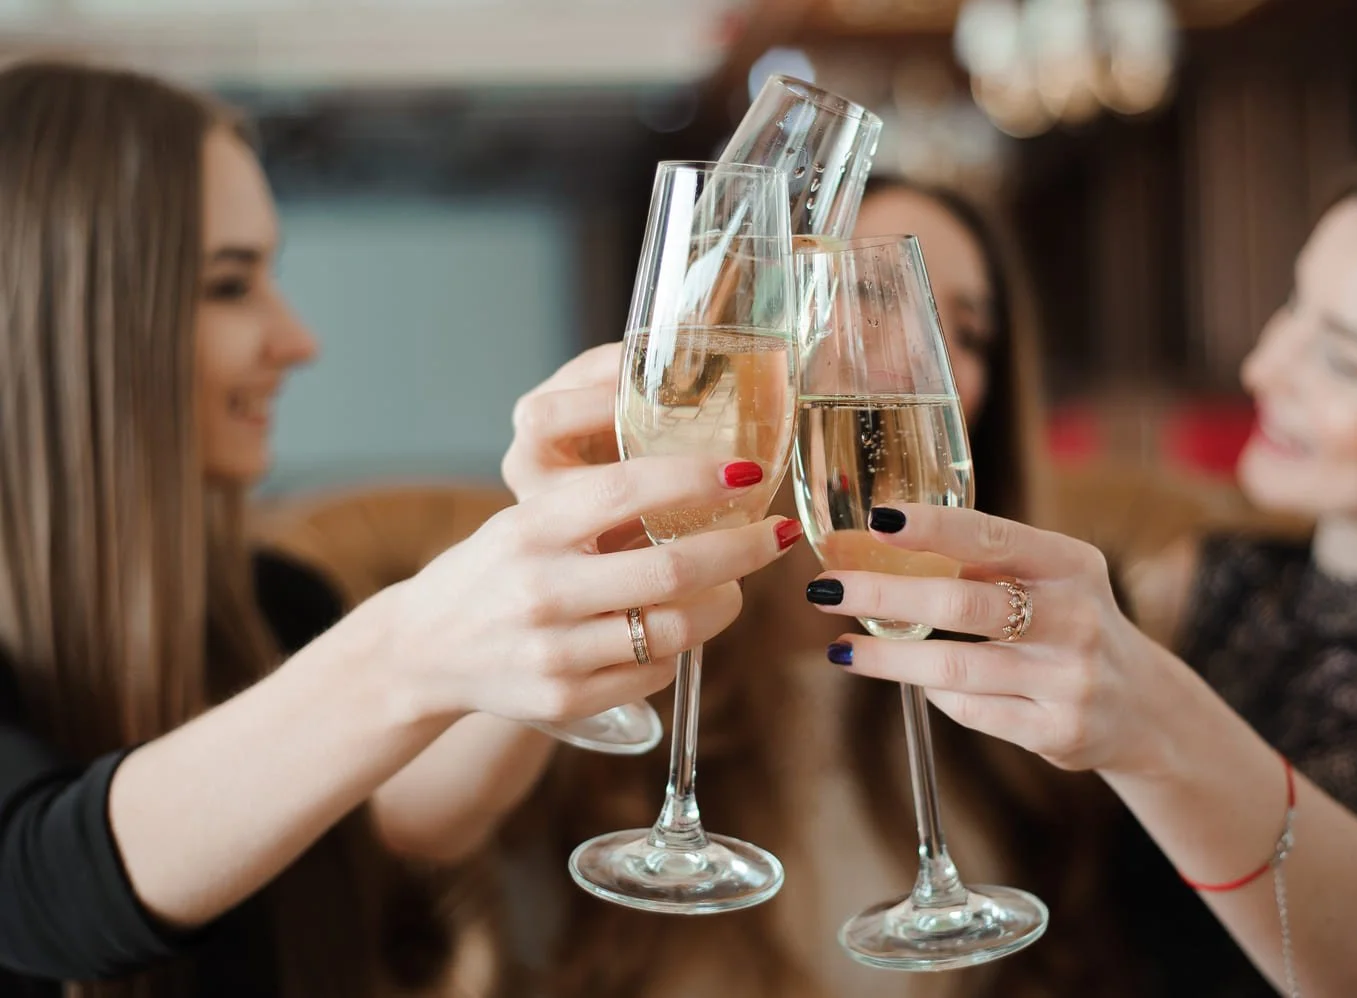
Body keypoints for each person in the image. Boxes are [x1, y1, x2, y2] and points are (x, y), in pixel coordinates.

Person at [0, 60, 802, 998]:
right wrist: (411, 646)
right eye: (229, 285)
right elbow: (37, 889)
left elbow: (402, 817)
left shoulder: (270, 603)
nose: (297, 339)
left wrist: (571, 560)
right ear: (71, 315)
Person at [803, 142, 1357, 996]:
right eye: (1293, 306)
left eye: (1347, 360)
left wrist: (1150, 719)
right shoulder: (1202, 580)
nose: (1260, 369)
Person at [493, 177, 1138, 998]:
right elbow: (418, 840)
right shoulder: (642, 618)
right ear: (759, 336)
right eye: (865, 301)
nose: (912, 357)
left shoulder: (1061, 639)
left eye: (962, 332)